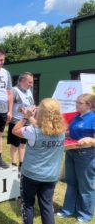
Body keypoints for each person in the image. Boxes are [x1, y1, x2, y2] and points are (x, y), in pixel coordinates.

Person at [12, 98, 66, 224]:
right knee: (46, 206)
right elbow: (44, 127)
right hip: (50, 176)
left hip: (31, 174)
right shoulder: (61, 132)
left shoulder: (33, 131)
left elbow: (15, 130)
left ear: (41, 113)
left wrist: (25, 117)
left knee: (28, 205)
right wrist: (30, 117)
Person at [57, 93, 95, 223]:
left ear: (88, 105)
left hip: (86, 156)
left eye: (79, 103)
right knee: (71, 183)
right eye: (76, 102)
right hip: (71, 152)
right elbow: (71, 132)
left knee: (85, 186)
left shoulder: (93, 118)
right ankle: (67, 210)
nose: (76, 105)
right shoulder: (77, 116)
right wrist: (61, 133)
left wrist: (90, 139)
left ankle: (85, 214)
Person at [7, 72, 34, 170]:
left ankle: (21, 164)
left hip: (27, 122)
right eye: (29, 82)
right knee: (15, 144)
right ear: (22, 81)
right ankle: (14, 164)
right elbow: (9, 105)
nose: (31, 85)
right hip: (16, 122)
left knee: (23, 144)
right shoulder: (14, 90)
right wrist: (20, 110)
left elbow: (30, 104)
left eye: (32, 82)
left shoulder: (28, 90)